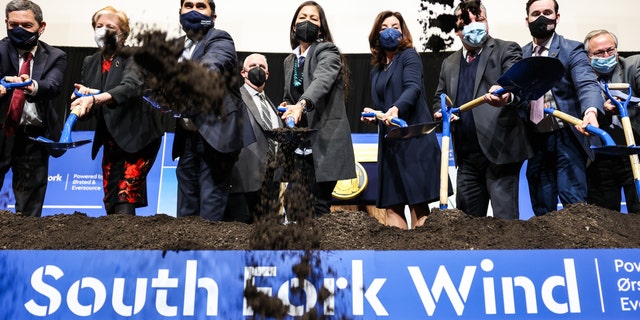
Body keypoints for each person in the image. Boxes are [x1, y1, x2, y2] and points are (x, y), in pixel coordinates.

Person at [433, 0, 531, 220]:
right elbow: (439, 99)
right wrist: (442, 112)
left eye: (480, 19)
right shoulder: (449, 63)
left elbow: (518, 88)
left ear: (487, 21)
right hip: (466, 158)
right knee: (467, 228)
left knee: (506, 226)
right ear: (458, 29)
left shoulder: (507, 48)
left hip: (500, 153)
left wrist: (506, 96)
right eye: (467, 21)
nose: (475, 25)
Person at [69, 6, 166, 215]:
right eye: (99, 26)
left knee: (125, 195)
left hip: (139, 137)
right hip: (111, 140)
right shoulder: (90, 61)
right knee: (111, 198)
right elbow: (96, 105)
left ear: (123, 34)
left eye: (110, 27)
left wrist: (94, 99)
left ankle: (128, 248)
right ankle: (113, 247)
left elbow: (130, 86)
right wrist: (83, 100)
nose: (103, 31)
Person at [172, 0, 255, 221]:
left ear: (213, 16)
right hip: (186, 137)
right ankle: (185, 255)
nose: (193, 10)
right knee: (185, 213)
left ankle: (208, 256)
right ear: (179, 12)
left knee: (210, 215)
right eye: (188, 5)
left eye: (201, 6)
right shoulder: (173, 47)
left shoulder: (220, 38)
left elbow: (213, 63)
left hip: (216, 138)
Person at [361, 11, 444, 229]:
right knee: (392, 205)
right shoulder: (376, 70)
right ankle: (397, 256)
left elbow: (413, 88)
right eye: (384, 26)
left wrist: (396, 109)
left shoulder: (409, 56)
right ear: (377, 34)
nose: (390, 30)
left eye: (395, 26)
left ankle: (420, 255)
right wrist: (376, 115)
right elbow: (382, 106)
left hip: (413, 139)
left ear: (403, 31)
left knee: (419, 204)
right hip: (390, 143)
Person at [523, 0, 604, 216]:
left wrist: (591, 112)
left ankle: (580, 251)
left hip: (567, 137)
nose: (542, 18)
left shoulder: (572, 49)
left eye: (547, 12)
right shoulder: (520, 55)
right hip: (535, 140)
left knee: (575, 207)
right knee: (541, 209)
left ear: (557, 17)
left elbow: (587, 83)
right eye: (536, 13)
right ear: (527, 20)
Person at [279, 1, 355, 217]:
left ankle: (318, 250)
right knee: (293, 205)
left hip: (325, 145)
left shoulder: (327, 51)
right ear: (294, 26)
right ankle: (297, 250)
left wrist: (301, 105)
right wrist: (287, 106)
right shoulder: (289, 61)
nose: (307, 22)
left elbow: (321, 81)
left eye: (314, 19)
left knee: (317, 206)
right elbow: (289, 96)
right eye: (302, 17)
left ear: (321, 28)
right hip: (299, 146)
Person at [0, 0, 66, 217]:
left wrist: (32, 85)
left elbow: (53, 86)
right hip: (1, 132)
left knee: (28, 213)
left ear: (41, 27)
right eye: (13, 25)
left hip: (33, 139)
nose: (19, 30)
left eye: (26, 25)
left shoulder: (56, 56)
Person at [583, 29, 640, 213]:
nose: (606, 56)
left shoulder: (633, 66)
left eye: (610, 50)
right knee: (605, 217)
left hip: (634, 152)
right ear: (588, 55)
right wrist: (603, 110)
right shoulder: (582, 77)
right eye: (599, 53)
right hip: (601, 156)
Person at [224, 53, 282, 223]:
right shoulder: (235, 98)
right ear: (243, 73)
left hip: (270, 182)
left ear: (268, 74)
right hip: (243, 181)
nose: (258, 70)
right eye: (253, 66)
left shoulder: (271, 105)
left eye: (262, 67)